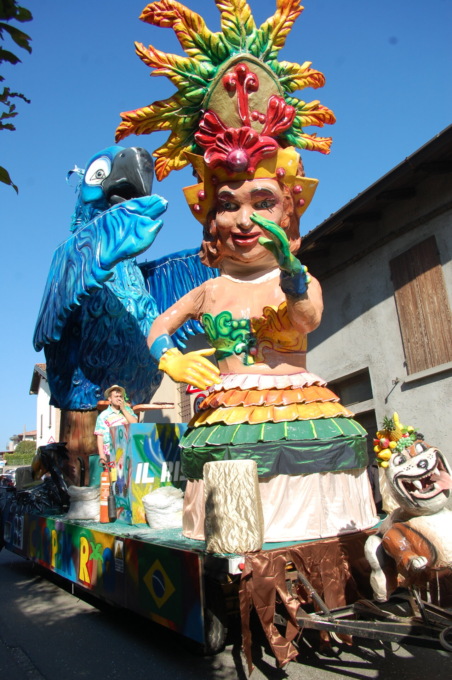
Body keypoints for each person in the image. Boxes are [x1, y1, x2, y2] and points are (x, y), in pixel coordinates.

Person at [120, 0, 378, 542]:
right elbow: (158, 327)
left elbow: (306, 320)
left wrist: (291, 273)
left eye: (263, 202)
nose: (244, 220)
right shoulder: (210, 289)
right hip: (224, 428)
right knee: (233, 538)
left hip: (300, 418)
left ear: (289, 212)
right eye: (228, 204)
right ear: (208, 219)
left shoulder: (294, 278)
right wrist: (170, 358)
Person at [94, 385, 137, 465]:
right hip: (110, 452)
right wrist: (102, 455)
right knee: (112, 473)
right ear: (110, 399)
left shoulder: (128, 411)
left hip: (127, 451)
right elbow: (100, 436)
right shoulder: (103, 416)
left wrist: (123, 409)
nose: (119, 398)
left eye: (120, 396)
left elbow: (135, 423)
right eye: (116, 396)